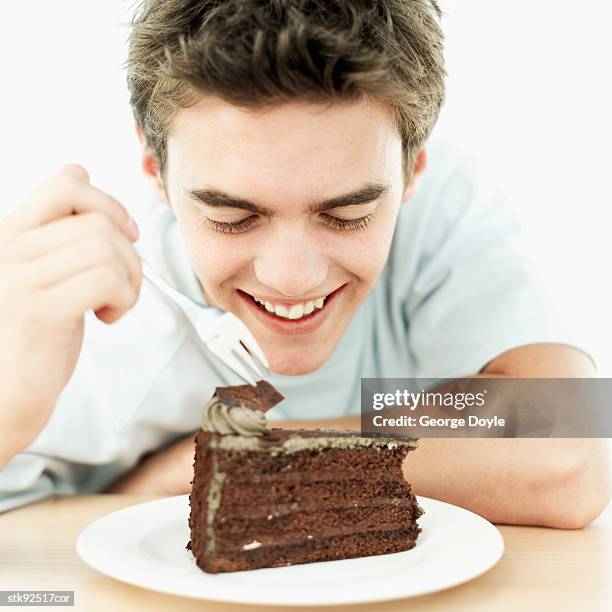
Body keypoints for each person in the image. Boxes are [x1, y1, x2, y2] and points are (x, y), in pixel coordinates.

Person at [0, 0, 609, 526]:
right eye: (232, 217)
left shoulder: (438, 211)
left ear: (412, 169)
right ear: (155, 171)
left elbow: (568, 447)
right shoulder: (90, 317)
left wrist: (221, 462)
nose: (292, 278)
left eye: (346, 215)